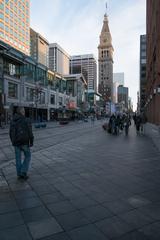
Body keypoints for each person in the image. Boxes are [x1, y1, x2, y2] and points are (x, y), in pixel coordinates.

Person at [9, 107, 34, 180]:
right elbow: (30, 132)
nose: (24, 112)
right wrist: (31, 141)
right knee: (28, 156)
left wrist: (13, 141)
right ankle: (23, 172)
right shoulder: (26, 120)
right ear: (21, 112)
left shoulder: (13, 120)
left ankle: (19, 174)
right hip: (24, 142)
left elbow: (10, 133)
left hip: (16, 143)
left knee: (18, 159)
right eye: (23, 110)